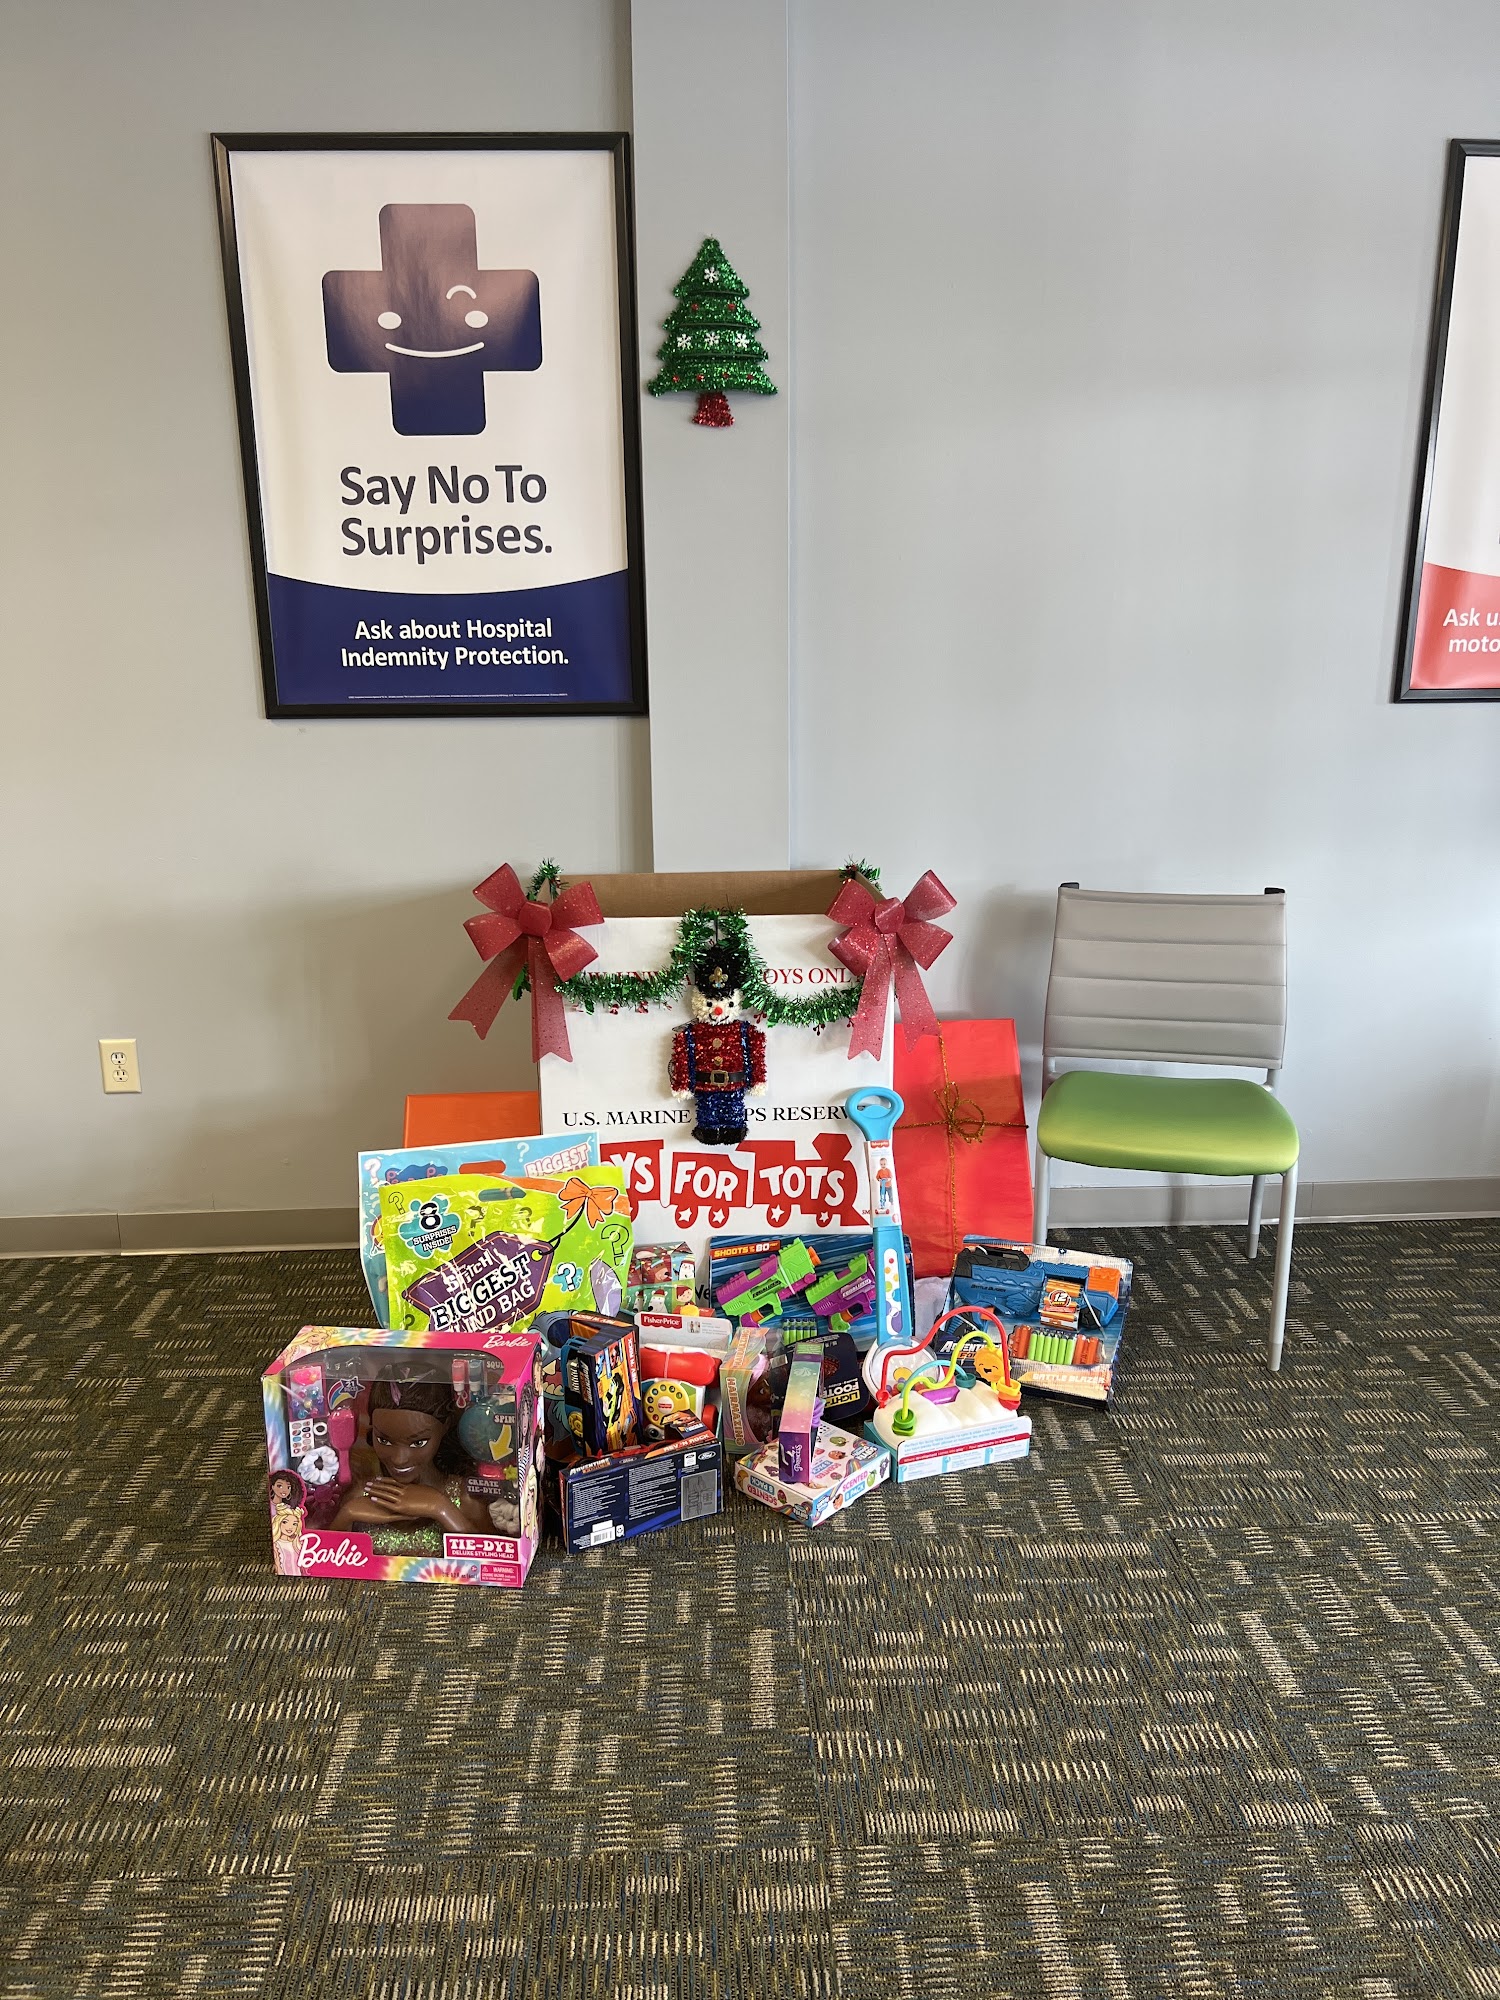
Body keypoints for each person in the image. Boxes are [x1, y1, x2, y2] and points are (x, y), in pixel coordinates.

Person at [329, 1380, 491, 1555]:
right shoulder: (360, 1495)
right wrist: (346, 1515)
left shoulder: (465, 1498)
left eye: (418, 1443)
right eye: (384, 1440)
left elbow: (491, 1562)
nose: (399, 1459)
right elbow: (324, 1560)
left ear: (445, 1426)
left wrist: (442, 1508)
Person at [268, 1469, 306, 1576]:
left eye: (288, 1487)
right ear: (272, 1486)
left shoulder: (290, 1509)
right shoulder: (270, 1506)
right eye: (280, 1486)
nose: (284, 1490)